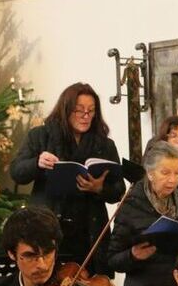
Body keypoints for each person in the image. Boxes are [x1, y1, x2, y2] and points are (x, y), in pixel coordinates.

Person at [10, 82, 125, 276]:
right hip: (48, 226)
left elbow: (119, 190)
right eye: (79, 110)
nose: (86, 116)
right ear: (66, 110)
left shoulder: (104, 145)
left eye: (91, 111)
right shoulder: (40, 136)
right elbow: (17, 172)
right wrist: (37, 162)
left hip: (88, 229)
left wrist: (99, 188)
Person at [108, 141, 178, 286]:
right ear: (150, 174)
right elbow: (113, 259)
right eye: (165, 173)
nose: (172, 179)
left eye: (177, 173)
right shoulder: (131, 204)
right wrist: (133, 255)